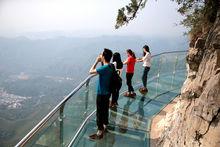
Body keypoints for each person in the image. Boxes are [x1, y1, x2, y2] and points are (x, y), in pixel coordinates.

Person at [89, 48, 113, 140]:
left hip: (101, 93)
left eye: (101, 55)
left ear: (103, 57)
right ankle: (105, 125)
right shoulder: (110, 66)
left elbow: (90, 71)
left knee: (99, 112)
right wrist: (102, 61)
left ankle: (100, 132)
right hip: (107, 93)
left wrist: (96, 61)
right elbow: (103, 69)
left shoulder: (104, 68)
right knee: (105, 110)